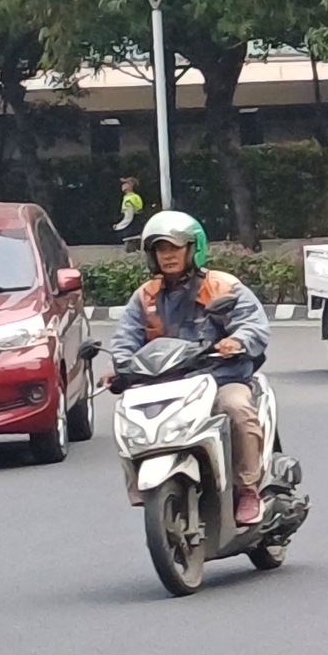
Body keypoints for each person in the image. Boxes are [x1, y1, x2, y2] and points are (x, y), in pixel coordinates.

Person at [110, 212, 273, 525]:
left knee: (237, 409)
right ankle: (144, 486)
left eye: (175, 247)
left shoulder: (222, 286)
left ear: (192, 249)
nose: (168, 255)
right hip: (168, 384)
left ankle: (248, 488)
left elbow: (253, 324)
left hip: (221, 377)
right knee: (127, 414)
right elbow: (125, 338)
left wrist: (236, 340)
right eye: (161, 249)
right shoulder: (145, 296)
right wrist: (119, 365)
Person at [113, 176, 146, 250]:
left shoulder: (130, 199)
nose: (123, 185)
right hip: (136, 229)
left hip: (131, 233)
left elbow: (129, 217)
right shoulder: (135, 197)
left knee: (130, 253)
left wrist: (119, 226)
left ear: (131, 186)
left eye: (126, 183)